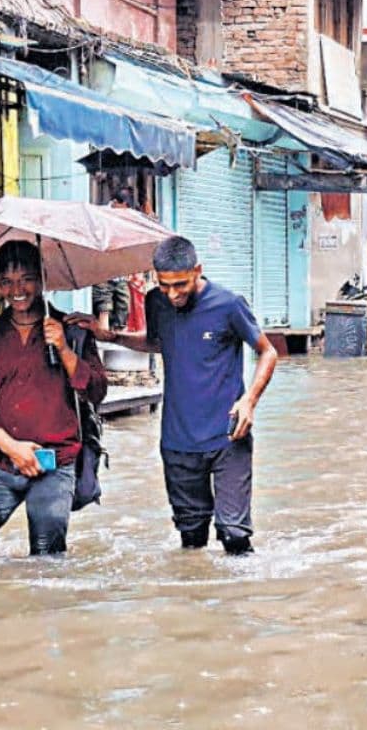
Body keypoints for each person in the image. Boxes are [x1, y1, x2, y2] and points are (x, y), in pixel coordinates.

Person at [68, 236, 278, 554]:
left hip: (228, 436)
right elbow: (157, 342)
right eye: (165, 285)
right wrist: (109, 335)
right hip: (178, 442)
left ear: (198, 271)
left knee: (235, 536)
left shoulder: (229, 303)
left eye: (180, 284)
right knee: (191, 540)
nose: (173, 294)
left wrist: (249, 400)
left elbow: (268, 352)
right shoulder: (156, 302)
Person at [0, 241, 109, 558]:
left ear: (41, 278)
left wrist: (63, 348)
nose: (17, 289)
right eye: (7, 281)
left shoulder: (72, 331)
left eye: (25, 278)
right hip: (1, 462)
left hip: (57, 461)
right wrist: (12, 448)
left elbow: (96, 391)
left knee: (46, 558)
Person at [91, 188, 135, 333]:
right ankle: (103, 337)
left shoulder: (128, 218)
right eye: (123, 208)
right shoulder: (101, 215)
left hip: (120, 269)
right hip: (102, 268)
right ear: (115, 203)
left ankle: (120, 337)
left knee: (123, 304)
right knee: (104, 304)